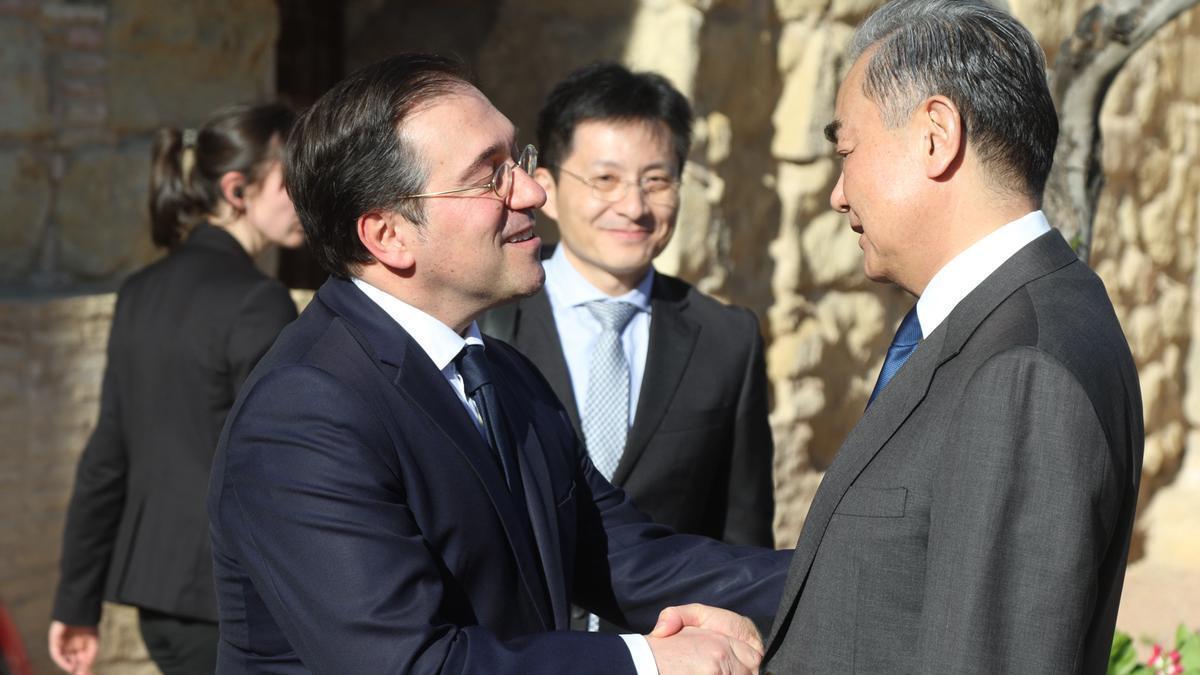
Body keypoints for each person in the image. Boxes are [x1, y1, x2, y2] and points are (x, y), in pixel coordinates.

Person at [206, 53, 789, 674]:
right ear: (388, 235)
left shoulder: (503, 376)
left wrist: (860, 568)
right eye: (490, 177)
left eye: (520, 161)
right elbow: (411, 663)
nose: (533, 192)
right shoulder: (305, 413)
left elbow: (626, 559)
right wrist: (648, 662)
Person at [757, 1, 1144, 672]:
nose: (838, 194)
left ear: (936, 134)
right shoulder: (1015, 318)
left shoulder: (1024, 369)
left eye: (846, 151)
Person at [479, 66, 774, 595]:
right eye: (605, 179)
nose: (634, 207)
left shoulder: (727, 339)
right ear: (544, 184)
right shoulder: (484, 320)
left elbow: (742, 533)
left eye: (656, 180)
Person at [49, 103, 304, 675]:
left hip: (159, 603)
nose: (304, 195)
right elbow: (281, 469)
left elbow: (104, 458)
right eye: (292, 179)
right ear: (238, 190)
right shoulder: (257, 301)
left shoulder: (141, 289)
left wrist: (75, 604)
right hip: (232, 605)